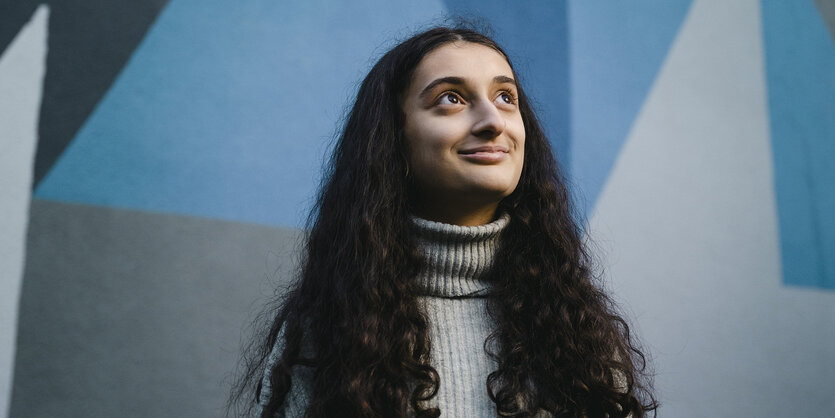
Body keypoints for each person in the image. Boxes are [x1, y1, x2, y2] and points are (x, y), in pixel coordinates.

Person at [231, 25, 657, 417]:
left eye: (505, 97)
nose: (493, 122)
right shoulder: (325, 331)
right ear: (393, 142)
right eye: (451, 98)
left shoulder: (576, 330)